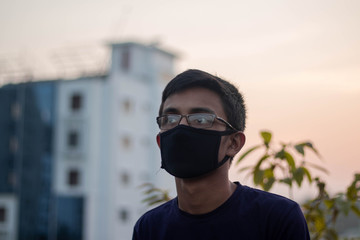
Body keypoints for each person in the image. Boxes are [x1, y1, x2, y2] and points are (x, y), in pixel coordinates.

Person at [132, 69, 310, 240]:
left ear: (233, 143)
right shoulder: (150, 228)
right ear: (160, 142)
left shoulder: (277, 218)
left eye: (200, 119)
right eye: (170, 119)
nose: (181, 129)